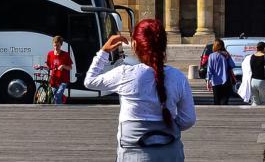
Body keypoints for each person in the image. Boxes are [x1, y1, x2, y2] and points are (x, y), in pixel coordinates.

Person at [84, 19, 195, 160]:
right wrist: (168, 127)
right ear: (164, 45)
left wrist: (104, 52)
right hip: (170, 152)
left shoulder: (124, 74)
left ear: (135, 45)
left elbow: (90, 81)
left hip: (133, 154)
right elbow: (188, 119)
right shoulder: (179, 77)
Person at [238, 42, 265, 106]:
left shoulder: (251, 57)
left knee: (255, 102)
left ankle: (255, 114)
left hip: (252, 81)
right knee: (264, 101)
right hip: (262, 81)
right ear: (264, 48)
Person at [204, 40, 236, 106]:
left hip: (215, 82)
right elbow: (233, 65)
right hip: (226, 81)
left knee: (216, 101)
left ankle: (217, 114)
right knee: (224, 101)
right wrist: (227, 58)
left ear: (214, 46)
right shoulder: (226, 55)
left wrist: (208, 81)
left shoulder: (211, 56)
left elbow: (210, 70)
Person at [46, 35, 73, 104]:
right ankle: (63, 99)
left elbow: (70, 67)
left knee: (57, 97)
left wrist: (63, 66)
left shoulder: (65, 54)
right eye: (54, 45)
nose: (56, 47)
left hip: (63, 80)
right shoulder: (50, 54)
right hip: (54, 80)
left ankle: (57, 111)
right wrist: (40, 66)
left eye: (57, 45)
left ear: (61, 45)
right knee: (56, 97)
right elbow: (48, 65)